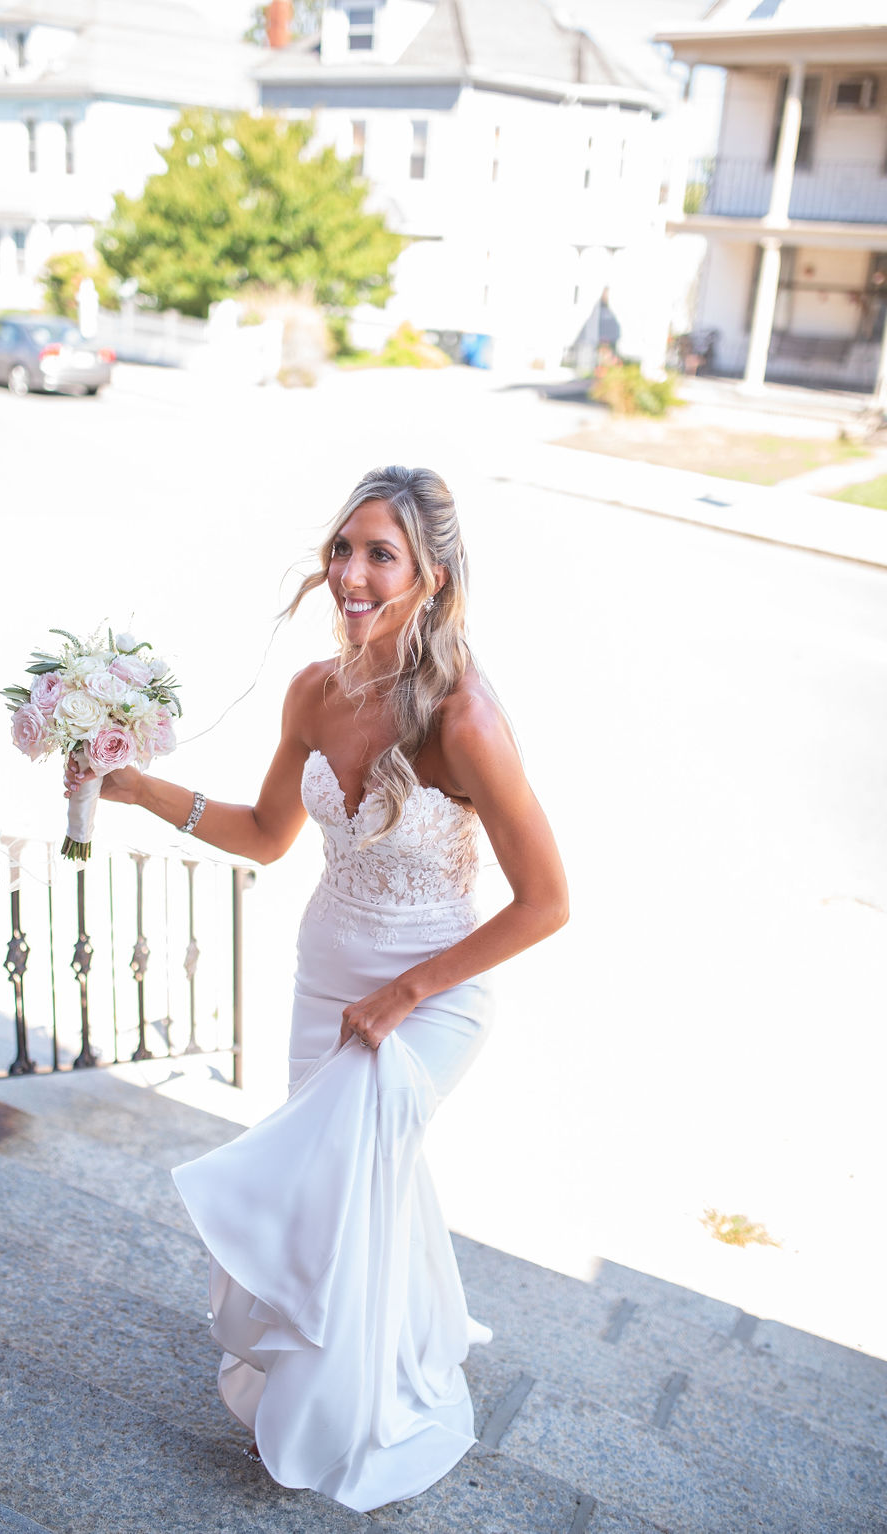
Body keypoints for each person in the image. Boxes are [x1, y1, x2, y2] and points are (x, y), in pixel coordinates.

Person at [63, 465, 568, 1513]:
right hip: (322, 980)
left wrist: (402, 995)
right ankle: (366, 1359)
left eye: (379, 553)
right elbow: (263, 834)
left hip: (429, 999)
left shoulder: (463, 718)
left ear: (429, 577)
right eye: (342, 547)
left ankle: (337, 1419)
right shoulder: (312, 690)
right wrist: (138, 784)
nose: (350, 571)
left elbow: (545, 901)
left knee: (333, 1185)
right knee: (354, 1196)